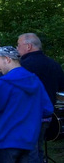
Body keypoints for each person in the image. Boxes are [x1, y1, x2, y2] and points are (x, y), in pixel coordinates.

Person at [0, 46, 53, 163]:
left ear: (7, 59)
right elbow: (47, 109)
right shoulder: (34, 80)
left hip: (6, 139)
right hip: (30, 140)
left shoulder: (5, 82)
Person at [17, 33, 64, 162]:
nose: (17, 48)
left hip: (26, 116)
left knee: (29, 152)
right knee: (38, 148)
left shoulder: (21, 66)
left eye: (18, 45)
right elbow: (61, 89)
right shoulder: (54, 64)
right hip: (47, 115)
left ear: (28, 46)